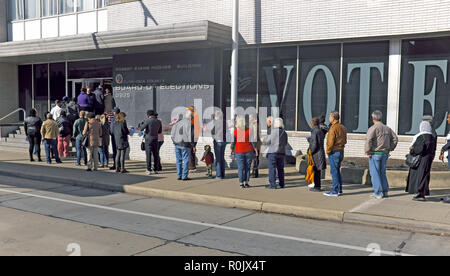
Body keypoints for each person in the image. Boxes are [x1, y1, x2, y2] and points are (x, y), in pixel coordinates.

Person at [365, 110, 399, 199]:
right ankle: (385, 191)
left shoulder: (373, 128)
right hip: (384, 153)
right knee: (382, 173)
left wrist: (368, 151)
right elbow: (395, 139)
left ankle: (378, 192)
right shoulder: (387, 128)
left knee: (375, 173)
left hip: (375, 153)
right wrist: (390, 148)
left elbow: (368, 140)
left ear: (373, 118)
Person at [405, 121, 437, 201]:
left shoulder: (421, 136)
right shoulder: (432, 137)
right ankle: (423, 192)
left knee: (420, 176)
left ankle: (420, 194)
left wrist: (412, 149)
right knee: (425, 176)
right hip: (428, 159)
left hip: (421, 159)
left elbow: (419, 149)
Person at [324, 111, 347, 197]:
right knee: (337, 171)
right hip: (341, 150)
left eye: (330, 117)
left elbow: (330, 142)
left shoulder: (333, 128)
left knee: (334, 171)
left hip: (334, 151)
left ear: (333, 118)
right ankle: (339, 189)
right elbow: (345, 140)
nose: (329, 118)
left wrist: (328, 151)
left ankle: (334, 190)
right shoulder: (343, 127)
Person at [231, 116, 258, 189]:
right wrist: (255, 149)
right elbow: (252, 141)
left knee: (240, 168)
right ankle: (246, 182)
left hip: (239, 151)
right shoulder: (249, 130)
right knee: (247, 167)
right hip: (248, 150)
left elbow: (233, 142)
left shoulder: (235, 131)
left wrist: (231, 149)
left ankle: (241, 183)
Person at [263, 118, 287, 189]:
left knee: (272, 168)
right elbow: (285, 143)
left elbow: (267, 141)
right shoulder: (284, 132)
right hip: (281, 152)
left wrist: (263, 140)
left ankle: (273, 184)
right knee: (281, 169)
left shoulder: (273, 132)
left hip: (273, 152)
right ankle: (282, 184)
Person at [171, 110, 196, 181]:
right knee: (186, 160)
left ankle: (179, 175)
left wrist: (174, 141)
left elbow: (172, 134)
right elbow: (191, 136)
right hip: (185, 144)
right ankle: (184, 176)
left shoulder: (177, 123)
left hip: (177, 144)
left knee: (178, 160)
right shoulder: (190, 124)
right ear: (190, 116)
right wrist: (193, 145)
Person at [138, 110, 162, 175]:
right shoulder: (158, 121)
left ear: (148, 115)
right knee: (156, 154)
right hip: (155, 139)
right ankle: (156, 169)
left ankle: (148, 170)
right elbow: (159, 132)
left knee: (148, 155)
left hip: (148, 139)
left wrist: (141, 124)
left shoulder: (148, 121)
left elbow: (141, 128)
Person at [308, 117, 327, 192]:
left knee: (316, 170)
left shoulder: (315, 131)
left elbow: (314, 144)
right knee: (317, 171)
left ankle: (317, 186)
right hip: (319, 152)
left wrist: (310, 151)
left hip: (316, 153)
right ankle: (317, 186)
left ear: (313, 123)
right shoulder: (319, 130)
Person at [212, 110, 226, 179]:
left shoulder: (216, 123)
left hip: (218, 141)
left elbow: (213, 132)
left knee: (218, 159)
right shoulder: (224, 122)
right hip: (223, 141)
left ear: (216, 116)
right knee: (222, 158)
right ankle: (222, 173)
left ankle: (218, 175)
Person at [186, 105, 200, 172]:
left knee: (191, 153)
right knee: (190, 153)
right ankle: (191, 166)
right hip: (190, 138)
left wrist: (194, 143)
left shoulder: (194, 117)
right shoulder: (191, 118)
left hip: (192, 138)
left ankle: (192, 167)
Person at [250, 113, 262, 178]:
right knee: (256, 158)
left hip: (255, 143)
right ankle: (255, 172)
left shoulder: (255, 125)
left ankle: (254, 173)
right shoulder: (257, 124)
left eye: (250, 117)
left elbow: (254, 136)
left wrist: (253, 145)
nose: (249, 118)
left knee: (255, 158)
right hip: (257, 142)